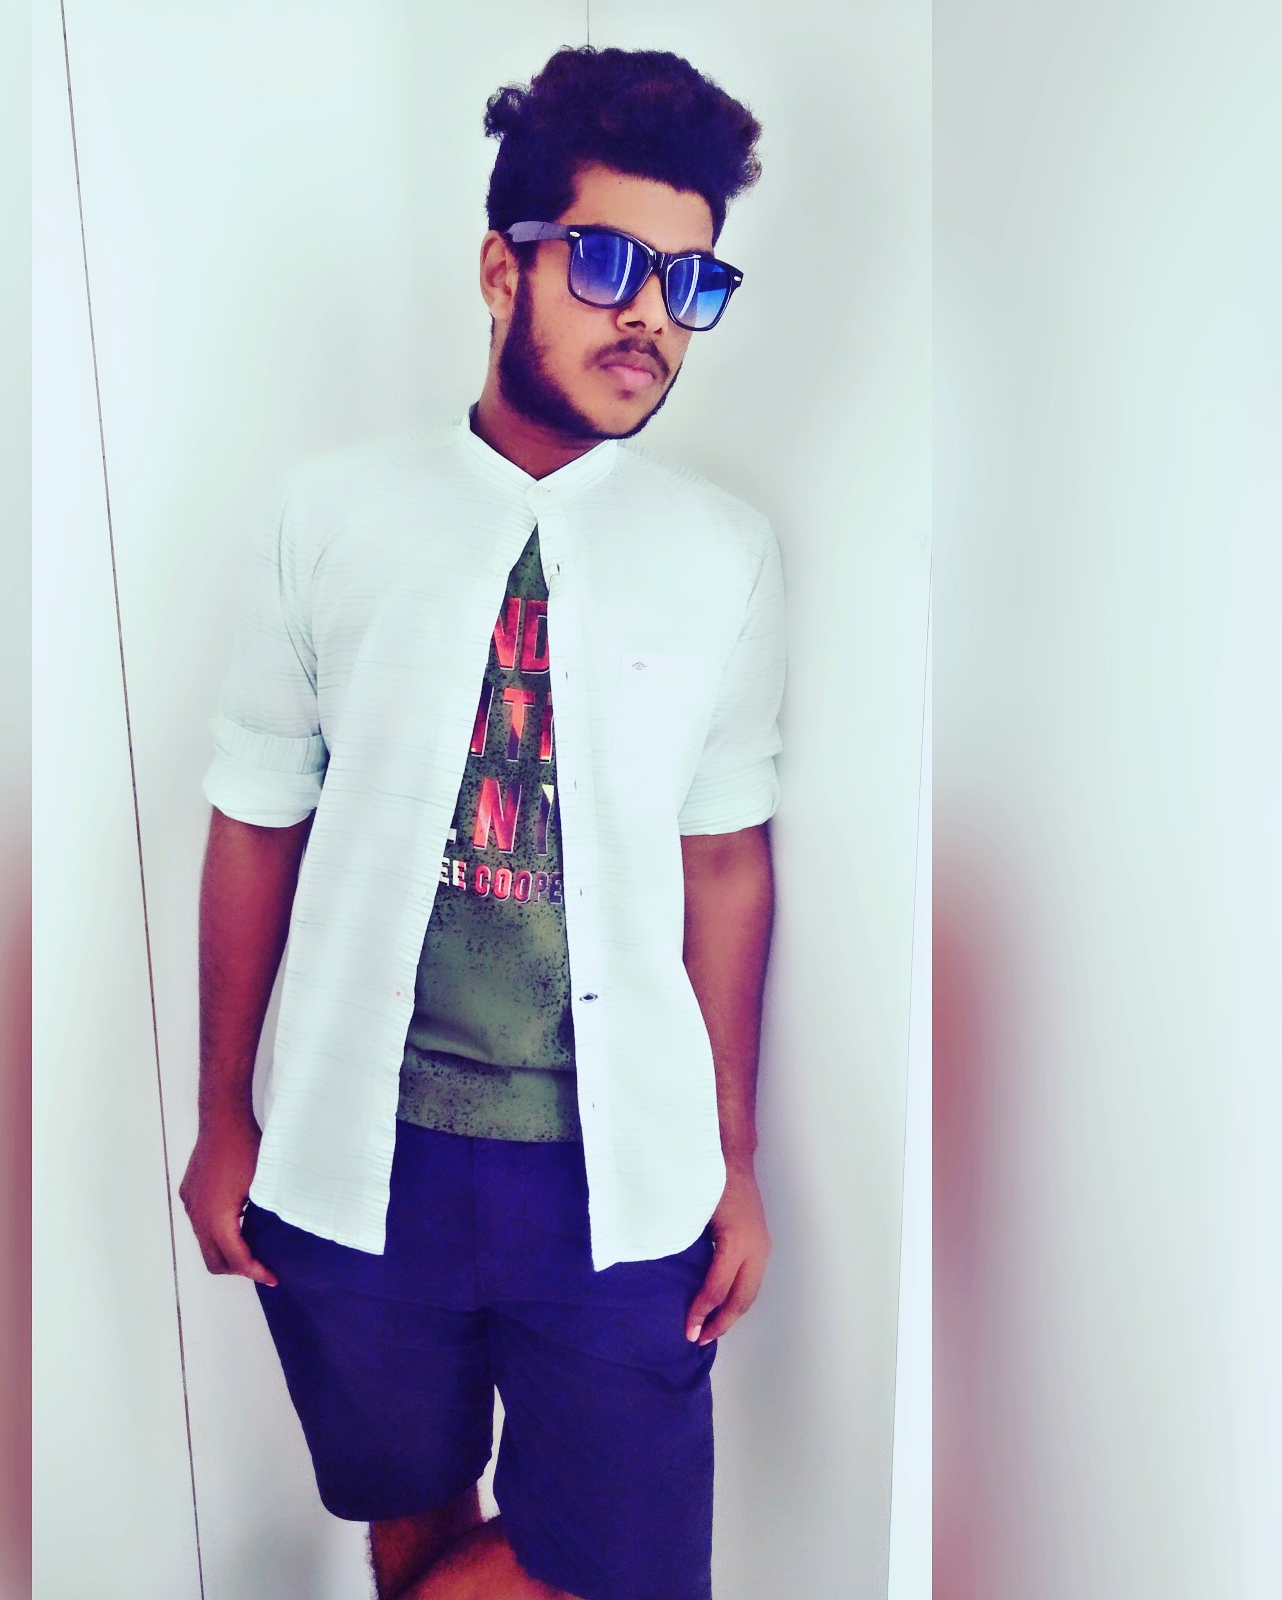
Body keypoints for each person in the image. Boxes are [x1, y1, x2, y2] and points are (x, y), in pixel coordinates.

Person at [180, 45, 785, 1600]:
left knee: (628, 1565)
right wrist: (224, 1112)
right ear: (502, 269)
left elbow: (725, 861)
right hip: (362, 1152)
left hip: (616, 1172)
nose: (651, 315)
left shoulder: (722, 557)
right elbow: (257, 814)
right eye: (608, 262)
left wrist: (734, 1155)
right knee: (409, 1511)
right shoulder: (333, 515)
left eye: (689, 281)